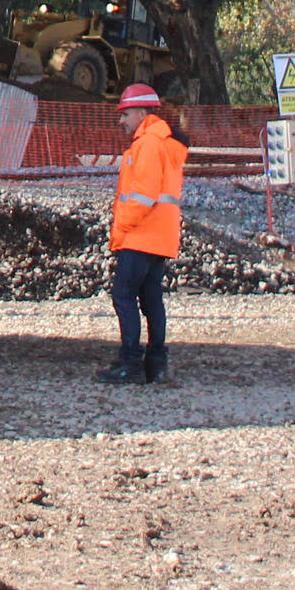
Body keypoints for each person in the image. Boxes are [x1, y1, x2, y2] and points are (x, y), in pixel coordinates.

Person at [98, 81, 185, 386]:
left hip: (140, 235)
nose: (121, 120)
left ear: (141, 112)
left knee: (123, 296)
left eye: (125, 113)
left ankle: (130, 363)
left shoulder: (147, 144)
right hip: (160, 239)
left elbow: (143, 197)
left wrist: (121, 229)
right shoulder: (166, 144)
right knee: (151, 301)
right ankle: (157, 364)